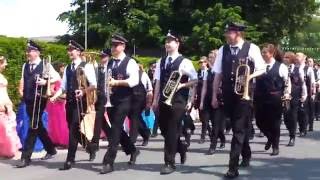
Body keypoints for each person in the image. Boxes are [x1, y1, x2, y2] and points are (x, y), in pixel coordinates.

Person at [211, 22, 265, 178]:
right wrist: (214, 95)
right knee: (237, 128)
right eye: (227, 33)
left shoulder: (251, 48)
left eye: (230, 32)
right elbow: (218, 74)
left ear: (238, 33)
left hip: (244, 94)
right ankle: (246, 153)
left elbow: (261, 68)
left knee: (239, 129)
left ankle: (232, 167)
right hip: (228, 94)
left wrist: (250, 76)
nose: (227, 35)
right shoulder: (223, 49)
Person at [152, 31, 197, 175]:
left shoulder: (185, 61)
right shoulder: (161, 61)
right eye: (166, 41)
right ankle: (181, 148)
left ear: (177, 43)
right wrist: (154, 100)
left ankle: (169, 162)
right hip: (164, 99)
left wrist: (182, 85)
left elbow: (195, 80)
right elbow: (158, 81)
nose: (167, 44)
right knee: (164, 129)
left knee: (171, 129)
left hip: (178, 100)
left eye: (170, 41)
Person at [50, 40, 97, 170]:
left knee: (73, 128)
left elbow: (94, 85)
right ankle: (90, 147)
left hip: (80, 103)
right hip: (70, 102)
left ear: (78, 51)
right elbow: (64, 87)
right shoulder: (67, 68)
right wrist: (55, 96)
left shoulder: (86, 66)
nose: (69, 52)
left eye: (72, 50)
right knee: (73, 130)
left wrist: (83, 91)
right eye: (68, 50)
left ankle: (70, 160)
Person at [99, 34, 140, 174]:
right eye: (112, 45)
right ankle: (133, 150)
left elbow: (134, 80)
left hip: (125, 100)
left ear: (123, 46)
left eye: (116, 45)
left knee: (115, 130)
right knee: (116, 130)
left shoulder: (130, 62)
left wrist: (117, 82)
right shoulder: (109, 62)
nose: (113, 47)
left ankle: (108, 162)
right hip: (111, 100)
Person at [16, 40, 59, 168]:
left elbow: (57, 78)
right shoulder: (25, 65)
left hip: (40, 99)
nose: (27, 53)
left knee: (33, 125)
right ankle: (51, 149)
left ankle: (25, 157)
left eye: (30, 51)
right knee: (37, 125)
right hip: (28, 98)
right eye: (27, 50)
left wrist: (45, 83)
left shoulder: (45, 65)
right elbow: (23, 79)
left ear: (37, 52)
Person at [254, 44, 291, 156]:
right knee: (259, 121)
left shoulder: (281, 67)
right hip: (260, 98)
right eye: (262, 52)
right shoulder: (259, 66)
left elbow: (287, 82)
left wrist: (287, 94)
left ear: (271, 53)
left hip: (275, 98)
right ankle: (270, 137)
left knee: (275, 123)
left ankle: (275, 146)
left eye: (265, 52)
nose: (263, 54)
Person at [199, 49, 226, 155]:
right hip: (207, 98)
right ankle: (214, 140)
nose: (210, 59)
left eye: (212, 57)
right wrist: (201, 101)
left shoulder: (222, 70)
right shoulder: (207, 72)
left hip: (218, 99)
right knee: (205, 120)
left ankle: (214, 144)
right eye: (209, 57)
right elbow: (204, 87)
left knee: (216, 124)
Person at [0, 56, 22, 158]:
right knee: (4, 127)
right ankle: (7, 150)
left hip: (6, 102)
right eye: (4, 63)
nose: (6, 65)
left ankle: (8, 149)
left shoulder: (1, 75)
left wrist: (9, 103)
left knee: (8, 127)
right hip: (1, 104)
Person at [129, 63, 153, 146]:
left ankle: (132, 140)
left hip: (140, 99)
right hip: (129, 99)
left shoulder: (143, 74)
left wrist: (149, 103)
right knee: (135, 118)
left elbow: (149, 89)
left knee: (134, 117)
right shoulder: (128, 74)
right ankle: (146, 133)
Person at [46, 62, 69, 147]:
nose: (63, 69)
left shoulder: (56, 77)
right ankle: (59, 140)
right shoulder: (56, 78)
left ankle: (59, 140)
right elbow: (51, 91)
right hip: (55, 103)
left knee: (57, 121)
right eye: (62, 67)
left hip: (57, 102)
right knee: (58, 121)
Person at [296, 52, 313, 137]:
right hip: (296, 92)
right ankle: (300, 127)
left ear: (303, 58)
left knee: (303, 111)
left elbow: (312, 83)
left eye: (298, 56)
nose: (296, 57)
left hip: (305, 93)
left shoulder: (308, 69)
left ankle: (303, 129)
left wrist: (312, 94)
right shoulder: (294, 67)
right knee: (298, 111)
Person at [197, 56, 211, 144]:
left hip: (207, 97)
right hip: (199, 97)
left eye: (203, 62)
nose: (201, 64)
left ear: (206, 63)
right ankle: (210, 132)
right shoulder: (198, 72)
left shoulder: (209, 72)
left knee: (205, 118)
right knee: (202, 117)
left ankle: (203, 136)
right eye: (200, 63)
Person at [306, 57, 316, 131]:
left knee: (311, 108)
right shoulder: (305, 69)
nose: (309, 62)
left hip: (312, 91)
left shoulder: (315, 71)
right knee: (305, 108)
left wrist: (313, 92)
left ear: (313, 63)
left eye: (310, 61)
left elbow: (314, 82)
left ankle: (311, 125)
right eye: (308, 61)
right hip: (305, 91)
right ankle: (305, 124)